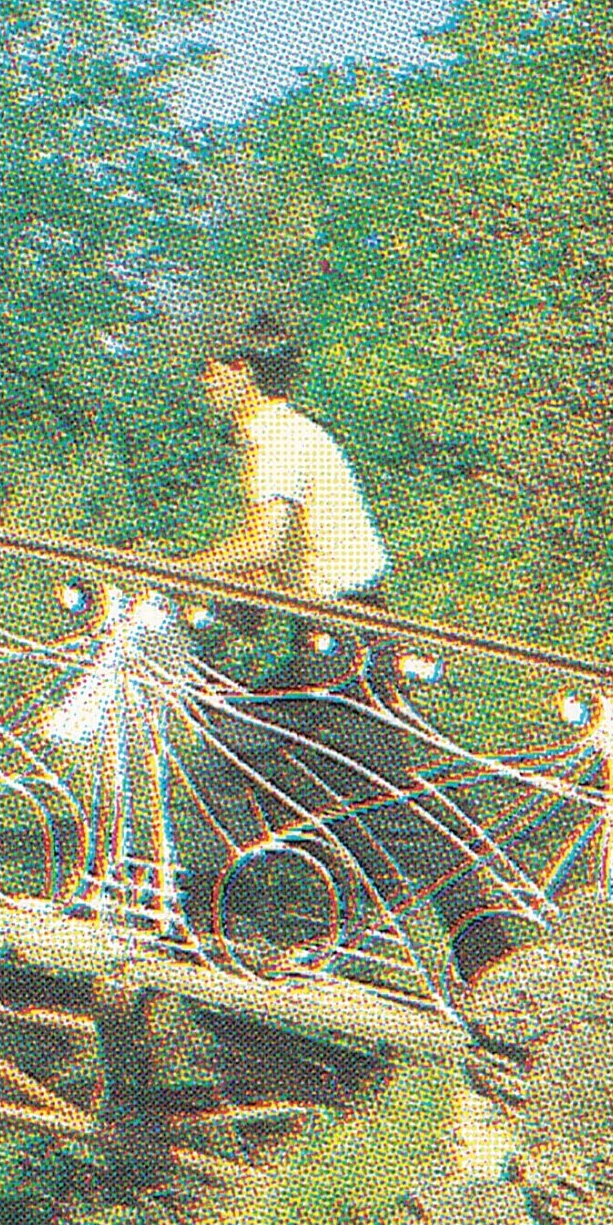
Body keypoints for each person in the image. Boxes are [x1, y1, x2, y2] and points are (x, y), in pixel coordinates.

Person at [169, 319, 516, 989]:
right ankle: (487, 957)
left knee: (226, 755)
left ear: (242, 370)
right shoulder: (293, 438)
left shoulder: (279, 442)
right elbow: (289, 558)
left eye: (210, 368)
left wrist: (175, 571)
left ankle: (214, 926)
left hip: (344, 644)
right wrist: (242, 607)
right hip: (346, 636)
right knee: (385, 799)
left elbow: (265, 547)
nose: (204, 383)